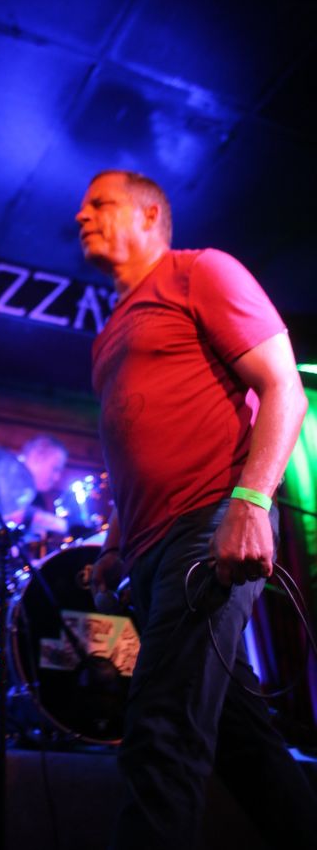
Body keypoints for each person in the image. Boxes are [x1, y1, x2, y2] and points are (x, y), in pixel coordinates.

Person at [76, 169, 316, 849]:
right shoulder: (108, 335)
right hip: (151, 550)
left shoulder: (199, 272)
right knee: (244, 745)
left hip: (208, 524)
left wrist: (250, 501)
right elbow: (133, 443)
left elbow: (284, 388)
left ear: (150, 214)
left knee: (160, 732)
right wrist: (117, 542)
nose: (81, 215)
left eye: (100, 203)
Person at [0, 433, 69, 559]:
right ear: (38, 456)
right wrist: (54, 522)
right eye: (55, 469)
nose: (57, 477)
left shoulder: (37, 498)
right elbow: (9, 514)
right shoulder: (5, 473)